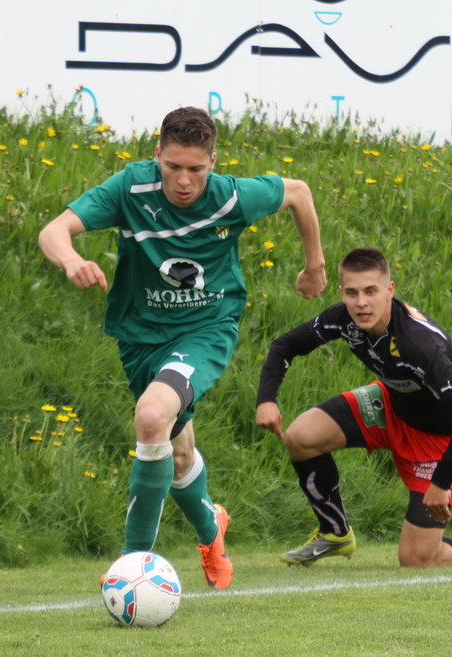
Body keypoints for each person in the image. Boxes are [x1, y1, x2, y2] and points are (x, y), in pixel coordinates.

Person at [39, 107, 326, 588]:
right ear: (157, 155)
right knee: (176, 454)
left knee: (152, 416)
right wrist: (70, 259)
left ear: (213, 161)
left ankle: (132, 565)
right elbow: (53, 230)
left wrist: (314, 265)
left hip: (206, 329)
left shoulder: (230, 196)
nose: (185, 180)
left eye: (196, 168)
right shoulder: (131, 188)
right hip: (139, 336)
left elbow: (298, 192)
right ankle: (212, 530)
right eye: (173, 166)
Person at [255, 247, 452, 568]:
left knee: (416, 560)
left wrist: (441, 483)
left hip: (435, 440)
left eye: (371, 291)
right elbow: (285, 346)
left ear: (389, 290)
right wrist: (266, 400)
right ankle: (334, 532)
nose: (361, 302)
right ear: (341, 293)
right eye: (352, 293)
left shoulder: (417, 344)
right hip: (390, 406)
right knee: (300, 436)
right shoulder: (343, 319)